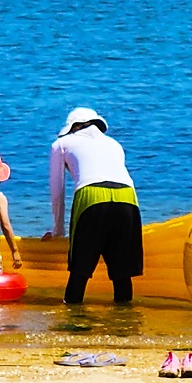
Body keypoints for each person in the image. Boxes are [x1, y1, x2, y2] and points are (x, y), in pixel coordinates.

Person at [48, 107, 142, 304]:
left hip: (91, 195)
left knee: (80, 271)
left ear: (73, 127)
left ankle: (73, 323)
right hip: (128, 197)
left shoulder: (61, 144)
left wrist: (58, 231)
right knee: (122, 273)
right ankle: (125, 325)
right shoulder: (114, 144)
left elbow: (57, 191)